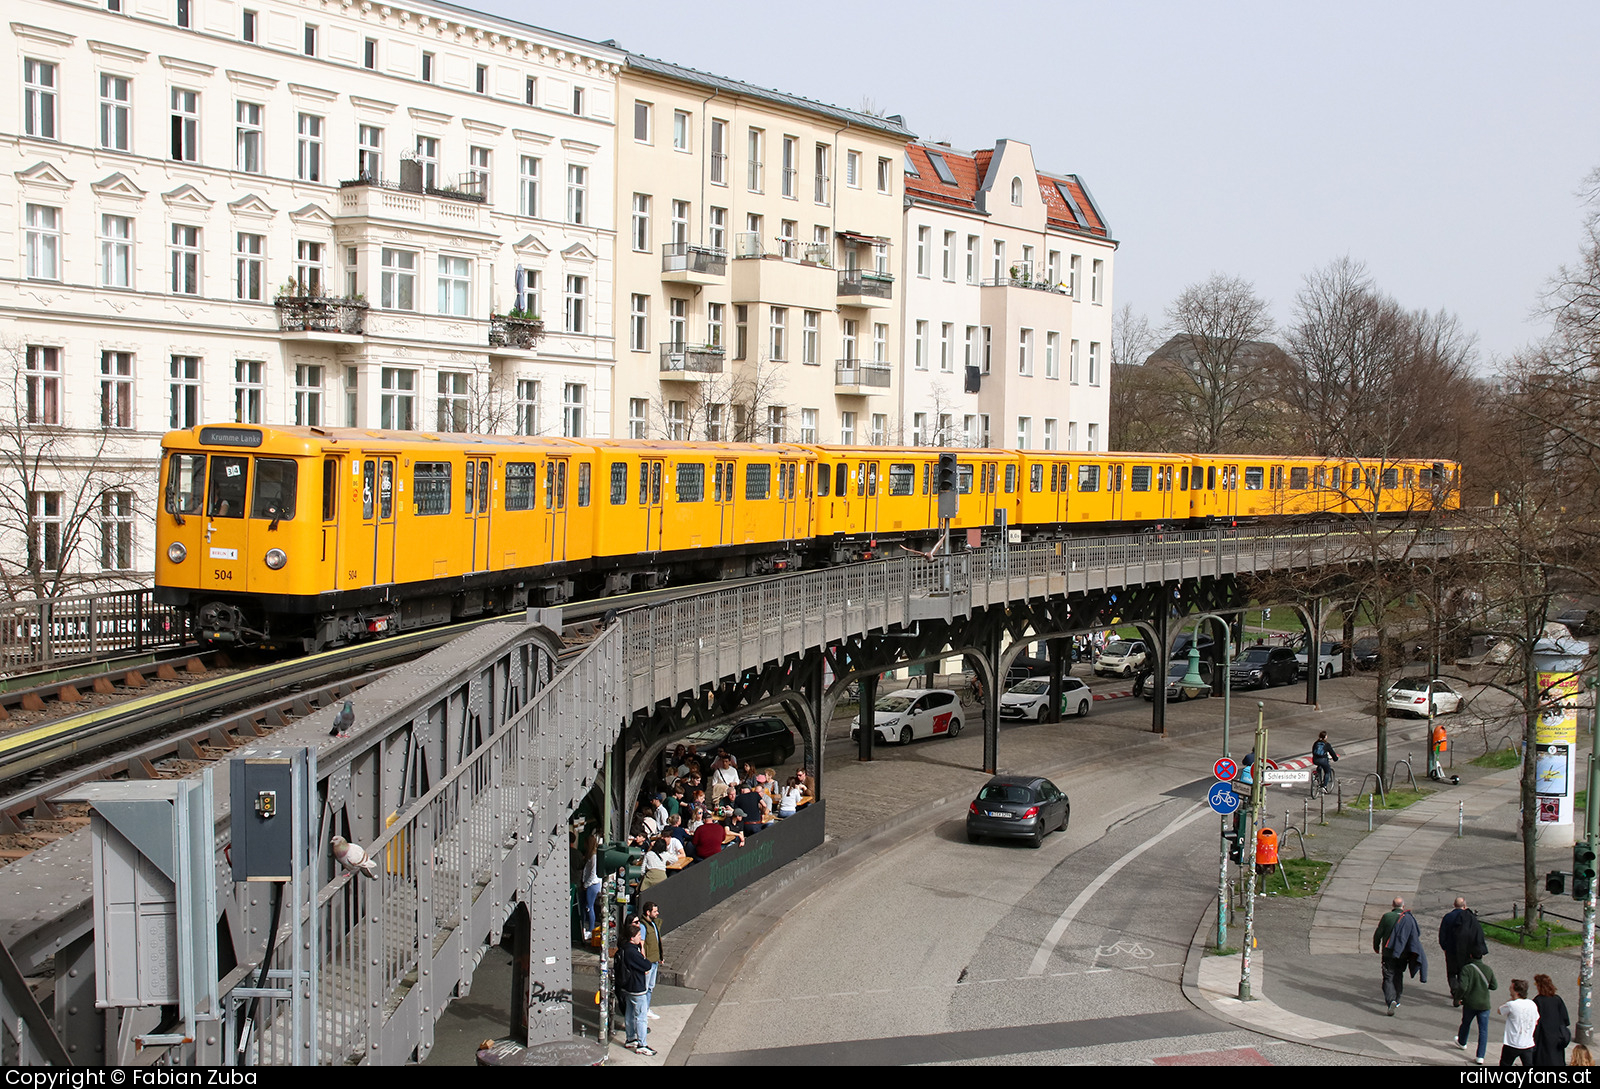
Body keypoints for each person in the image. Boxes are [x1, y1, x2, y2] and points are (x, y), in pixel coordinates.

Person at [1373, 896, 1428, 1014]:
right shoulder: (1409, 919)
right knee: (1398, 975)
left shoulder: (1387, 917)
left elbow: (1378, 933)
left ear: (1392, 906)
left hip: (1388, 953)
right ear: (1403, 906)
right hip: (1403, 954)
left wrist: (1376, 946)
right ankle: (1397, 999)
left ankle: (1390, 1000)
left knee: (1388, 977)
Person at [617, 919, 655, 1056]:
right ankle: (642, 1044)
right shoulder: (632, 952)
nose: (641, 938)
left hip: (627, 987)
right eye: (639, 936)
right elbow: (646, 965)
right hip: (637, 988)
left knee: (629, 1013)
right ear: (632, 938)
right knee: (641, 1016)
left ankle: (630, 1038)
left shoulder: (624, 949)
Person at [1456, 951, 1498, 1065]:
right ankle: (1480, 1056)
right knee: (1483, 1030)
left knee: (1466, 1023)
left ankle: (1462, 1042)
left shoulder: (1467, 969)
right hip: (1485, 1004)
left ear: (1470, 955)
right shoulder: (1488, 969)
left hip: (1470, 1003)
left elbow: (1463, 987)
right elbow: (1494, 986)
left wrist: (1457, 998)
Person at [1532, 974, 1570, 1068]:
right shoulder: (1557, 999)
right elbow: (1565, 1020)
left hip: (1543, 1039)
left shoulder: (1538, 1001)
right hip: (1557, 1039)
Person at [1498, 978, 1538, 1068]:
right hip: (1528, 1044)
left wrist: (1510, 1000)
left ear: (1516, 991)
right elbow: (1536, 1020)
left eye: (1511, 987)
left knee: (1505, 1064)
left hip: (1512, 1043)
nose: (1509, 989)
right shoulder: (1532, 1004)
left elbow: (1500, 1010)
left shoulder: (1511, 1005)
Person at [1440, 897, 1472, 1005]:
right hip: (1465, 950)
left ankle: (1455, 991)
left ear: (1454, 905)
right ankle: (1462, 991)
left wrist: (1444, 947)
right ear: (1465, 905)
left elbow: (1442, 934)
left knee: (1452, 972)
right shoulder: (1469, 918)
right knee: (1463, 971)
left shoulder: (1448, 917)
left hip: (1450, 949)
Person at [640, 901, 665, 1022]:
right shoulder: (643, 925)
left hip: (655, 960)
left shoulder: (653, 924)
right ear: (648, 912)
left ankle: (646, 1009)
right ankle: (643, 1010)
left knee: (650, 987)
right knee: (645, 988)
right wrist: (644, 962)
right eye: (655, 911)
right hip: (648, 962)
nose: (657, 913)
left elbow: (657, 941)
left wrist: (660, 957)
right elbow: (642, 944)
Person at [578, 833, 603, 938]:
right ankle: (585, 927)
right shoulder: (591, 856)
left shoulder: (594, 857)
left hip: (592, 884)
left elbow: (593, 873)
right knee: (585, 906)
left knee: (589, 907)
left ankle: (591, 929)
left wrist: (586, 884)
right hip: (589, 883)